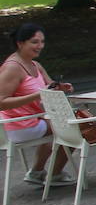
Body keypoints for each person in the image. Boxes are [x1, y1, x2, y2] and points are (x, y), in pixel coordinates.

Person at [0, 23, 73, 186]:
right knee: (72, 128)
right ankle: (53, 174)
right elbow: (1, 102)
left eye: (42, 42)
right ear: (20, 43)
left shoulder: (35, 65)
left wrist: (60, 86)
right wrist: (37, 95)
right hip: (16, 125)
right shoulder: (12, 67)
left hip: (35, 119)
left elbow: (50, 85)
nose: (40, 46)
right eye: (34, 42)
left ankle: (37, 172)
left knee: (62, 125)